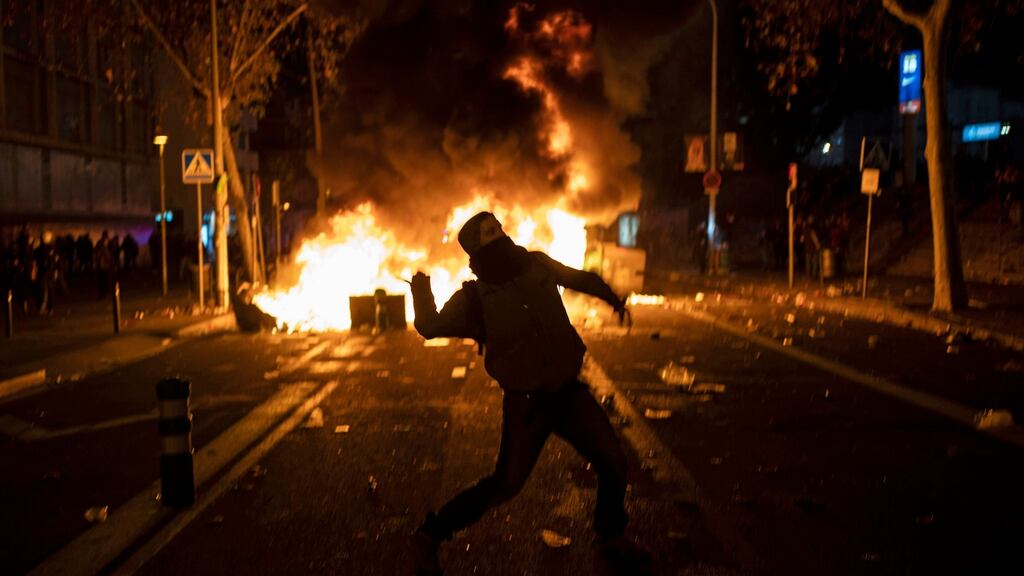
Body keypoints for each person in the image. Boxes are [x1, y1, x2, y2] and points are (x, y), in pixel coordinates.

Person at [407, 211, 647, 576]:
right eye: (491, 231)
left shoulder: (535, 263)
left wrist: (612, 298)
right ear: (475, 245)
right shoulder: (473, 297)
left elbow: (578, 278)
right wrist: (421, 290)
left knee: (613, 461)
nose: (501, 233)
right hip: (527, 406)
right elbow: (429, 326)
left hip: (568, 394)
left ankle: (610, 536)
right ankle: (430, 534)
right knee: (505, 485)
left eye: (499, 227)